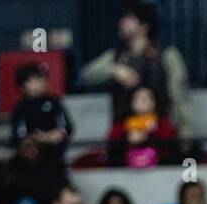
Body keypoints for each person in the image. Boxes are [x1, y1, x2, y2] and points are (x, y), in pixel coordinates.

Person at [78, 0, 192, 140]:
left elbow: (180, 97)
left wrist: (185, 135)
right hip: (124, 134)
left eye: (129, 19)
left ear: (144, 27)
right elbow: (86, 74)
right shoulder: (117, 56)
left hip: (158, 133)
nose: (121, 23)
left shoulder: (167, 55)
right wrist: (114, 70)